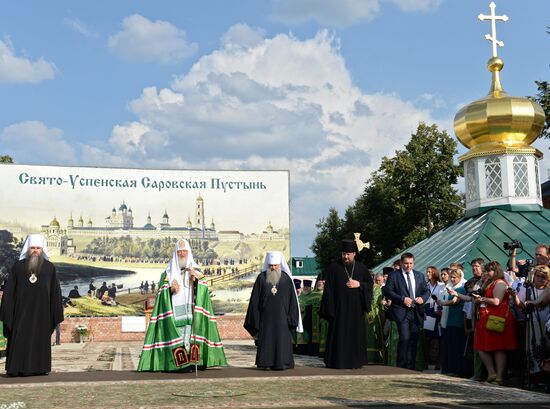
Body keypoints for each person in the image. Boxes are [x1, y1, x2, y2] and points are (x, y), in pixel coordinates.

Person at [138, 239, 227, 372]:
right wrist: (170, 291)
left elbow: (203, 291)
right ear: (175, 253)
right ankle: (178, 365)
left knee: (190, 336)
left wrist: (194, 280)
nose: (182, 254)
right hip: (175, 312)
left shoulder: (195, 271)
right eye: (179, 252)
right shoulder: (168, 273)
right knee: (178, 336)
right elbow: (161, 294)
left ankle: (192, 362)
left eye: (185, 251)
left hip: (191, 310)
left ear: (189, 252)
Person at [0, 234, 64, 376]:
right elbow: (9, 291)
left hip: (42, 315)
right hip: (20, 314)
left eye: (38, 248)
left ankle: (39, 368)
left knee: (39, 340)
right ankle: (16, 369)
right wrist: (7, 311)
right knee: (19, 339)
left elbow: (55, 293)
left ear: (43, 250)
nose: (35, 251)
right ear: (27, 250)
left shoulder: (49, 268)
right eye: (32, 248)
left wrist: (54, 312)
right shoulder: (17, 267)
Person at [320, 239, 373, 369]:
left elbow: (370, 286)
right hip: (339, 311)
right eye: (344, 254)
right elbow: (328, 291)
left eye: (348, 254)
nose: (345, 257)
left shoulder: (361, 268)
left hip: (356, 310)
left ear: (354, 254)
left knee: (355, 335)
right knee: (338, 335)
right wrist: (330, 310)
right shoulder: (334, 268)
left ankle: (355, 361)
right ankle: (336, 361)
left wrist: (359, 284)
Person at [244, 251, 302, 369]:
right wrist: (256, 319)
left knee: (282, 341)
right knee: (267, 340)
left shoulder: (286, 280)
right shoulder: (261, 278)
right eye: (271, 266)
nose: (273, 268)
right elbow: (255, 301)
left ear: (280, 265)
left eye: (275, 265)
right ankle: (265, 363)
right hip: (266, 319)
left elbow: (292, 302)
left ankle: (282, 363)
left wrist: (291, 319)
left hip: (282, 319)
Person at [471, 261, 517, 384]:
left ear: (496, 271)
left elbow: (497, 301)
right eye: (485, 270)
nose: (486, 273)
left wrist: (483, 299)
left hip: (497, 319)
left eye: (488, 270)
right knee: (481, 346)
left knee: (498, 348)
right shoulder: (490, 283)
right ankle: (492, 373)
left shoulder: (500, 283)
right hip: (486, 317)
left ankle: (499, 376)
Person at [383, 252, 430, 370]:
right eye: (406, 263)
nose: (408, 266)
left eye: (410, 263)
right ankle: (401, 366)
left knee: (413, 339)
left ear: (414, 263)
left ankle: (411, 367)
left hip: (416, 311)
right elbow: (388, 291)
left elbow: (427, 291)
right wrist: (402, 299)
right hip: (401, 311)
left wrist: (422, 299)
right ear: (401, 263)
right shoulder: (394, 275)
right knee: (404, 338)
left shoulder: (419, 275)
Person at [423, 266, 444, 371]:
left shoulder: (441, 285)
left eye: (430, 272)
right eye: (427, 272)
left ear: (434, 273)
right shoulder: (425, 285)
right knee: (427, 338)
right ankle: (425, 362)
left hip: (438, 312)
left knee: (439, 338)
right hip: (428, 312)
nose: (428, 274)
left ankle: (439, 363)